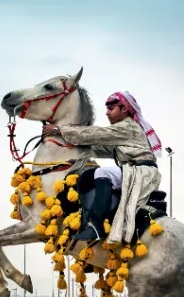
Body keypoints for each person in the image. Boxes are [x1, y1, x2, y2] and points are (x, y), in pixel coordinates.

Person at [43, 91, 162, 245]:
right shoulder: (124, 132)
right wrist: (74, 147)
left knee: (102, 172)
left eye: (111, 108)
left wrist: (59, 130)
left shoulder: (128, 127)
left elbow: (97, 133)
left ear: (124, 109)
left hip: (141, 172)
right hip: (136, 171)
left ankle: (96, 226)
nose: (107, 113)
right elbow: (103, 149)